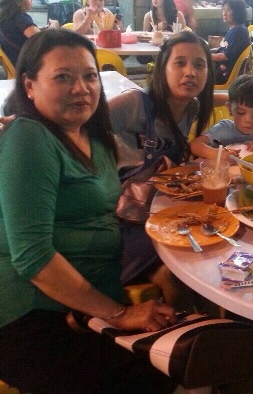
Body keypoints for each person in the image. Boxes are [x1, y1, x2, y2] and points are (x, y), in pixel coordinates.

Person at [0, 29, 177, 394]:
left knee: (182, 349)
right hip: (29, 314)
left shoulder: (93, 137)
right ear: (29, 86)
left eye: (89, 76)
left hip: (88, 305)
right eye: (63, 77)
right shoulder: (29, 136)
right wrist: (119, 314)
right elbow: (33, 258)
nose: (81, 88)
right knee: (159, 372)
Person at [109, 31, 217, 310]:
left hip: (160, 210)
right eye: (180, 63)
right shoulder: (134, 104)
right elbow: (80, 121)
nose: (190, 72)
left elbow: (218, 98)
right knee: (180, 270)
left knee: (211, 247)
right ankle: (188, 327)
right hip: (123, 219)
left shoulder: (191, 108)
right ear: (163, 68)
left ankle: (212, 323)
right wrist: (21, 119)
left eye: (199, 65)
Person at [211, 0, 251, 85]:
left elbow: (225, 56)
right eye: (223, 10)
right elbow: (224, 49)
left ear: (237, 12)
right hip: (221, 70)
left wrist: (206, 55)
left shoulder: (238, 31)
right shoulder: (234, 29)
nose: (224, 13)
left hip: (225, 74)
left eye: (228, 10)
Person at [0, 0, 41, 66]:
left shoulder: (4, 17)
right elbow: (42, 39)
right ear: (18, 2)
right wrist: (53, 26)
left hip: (14, 62)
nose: (31, 0)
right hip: (27, 65)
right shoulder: (20, 18)